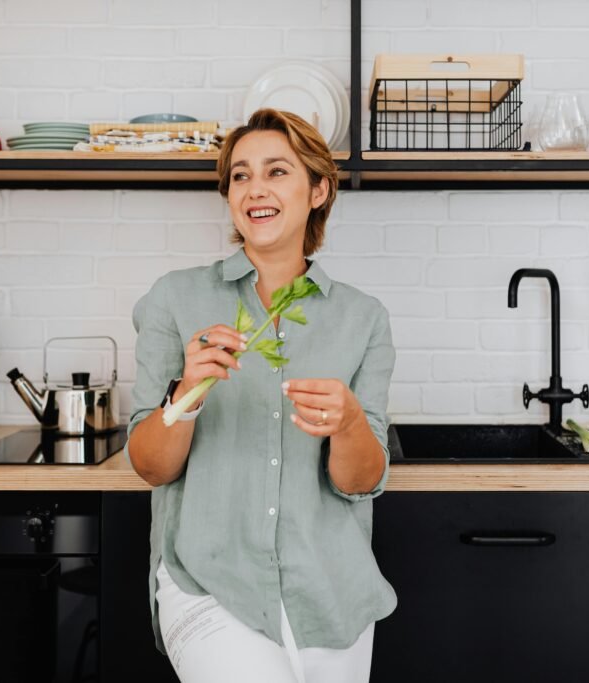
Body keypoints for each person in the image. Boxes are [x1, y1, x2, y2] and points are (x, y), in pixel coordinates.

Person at [125, 108, 397, 683]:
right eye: (240, 176)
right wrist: (187, 393)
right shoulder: (173, 300)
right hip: (209, 584)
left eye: (277, 171)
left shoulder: (363, 318)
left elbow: (360, 481)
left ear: (318, 190)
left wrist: (348, 424)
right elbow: (150, 466)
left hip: (333, 593)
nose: (255, 190)